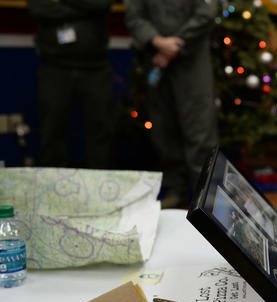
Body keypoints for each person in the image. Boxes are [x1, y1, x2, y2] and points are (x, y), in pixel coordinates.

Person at [124, 0, 219, 208]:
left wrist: (175, 46)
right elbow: (134, 15)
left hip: (192, 60)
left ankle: (203, 198)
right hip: (155, 60)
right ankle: (176, 188)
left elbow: (207, 11)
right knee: (163, 129)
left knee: (200, 130)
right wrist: (157, 42)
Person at [27, 0, 115, 169]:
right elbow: (37, 7)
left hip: (95, 66)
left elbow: (102, 4)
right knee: (52, 129)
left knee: (101, 129)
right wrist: (85, 9)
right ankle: (53, 187)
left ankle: (100, 186)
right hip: (54, 66)